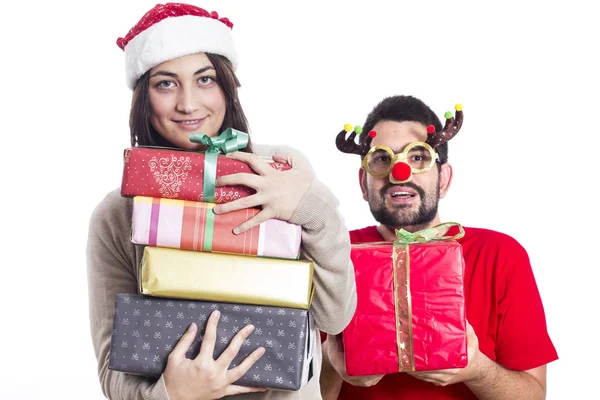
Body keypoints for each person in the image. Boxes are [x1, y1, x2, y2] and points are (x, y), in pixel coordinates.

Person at [86, 3, 356, 399]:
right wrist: (173, 393)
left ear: (227, 85)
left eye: (205, 79)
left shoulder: (282, 170)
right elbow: (114, 372)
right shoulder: (116, 213)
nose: (188, 104)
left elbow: (334, 317)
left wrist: (307, 206)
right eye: (165, 83)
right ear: (144, 98)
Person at [320, 95, 558, 399]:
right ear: (363, 180)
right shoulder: (331, 253)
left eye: (418, 157)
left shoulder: (500, 255)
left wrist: (477, 369)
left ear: (443, 179)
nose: (399, 173)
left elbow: (534, 395)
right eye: (382, 159)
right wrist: (330, 364)